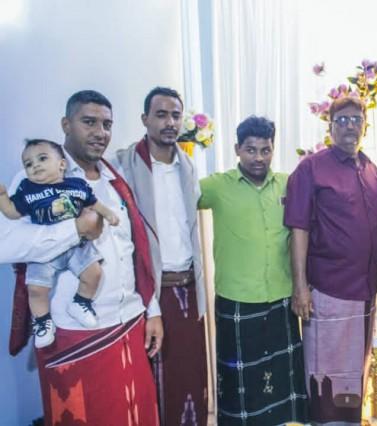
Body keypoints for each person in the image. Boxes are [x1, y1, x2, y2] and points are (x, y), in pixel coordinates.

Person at [2, 90, 162, 425]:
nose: (100, 132)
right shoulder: (34, 180)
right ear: (66, 124)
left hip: (129, 321)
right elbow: (7, 245)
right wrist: (75, 229)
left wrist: (152, 311)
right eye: (89, 122)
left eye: (107, 124)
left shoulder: (114, 180)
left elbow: (135, 251)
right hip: (74, 333)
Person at [199, 115, 307, 426]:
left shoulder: (288, 184)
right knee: (240, 382)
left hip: (281, 297)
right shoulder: (217, 186)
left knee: (281, 378)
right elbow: (175, 195)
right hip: (237, 300)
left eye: (265, 150)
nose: (259, 158)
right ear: (237, 149)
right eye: (251, 150)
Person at [285, 95, 377, 425]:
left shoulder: (371, 170)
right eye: (342, 120)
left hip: (364, 291)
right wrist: (300, 287)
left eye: (356, 119)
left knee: (356, 367)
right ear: (329, 127)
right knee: (324, 370)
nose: (350, 126)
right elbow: (298, 228)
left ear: (365, 126)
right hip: (328, 288)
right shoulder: (311, 169)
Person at [115, 87, 208, 425]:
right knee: (155, 379)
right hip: (150, 292)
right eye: (161, 114)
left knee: (192, 374)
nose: (170, 122)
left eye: (175, 115)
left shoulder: (187, 167)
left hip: (189, 287)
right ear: (145, 119)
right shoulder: (124, 166)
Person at [0, 139, 120, 348]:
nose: (35, 165)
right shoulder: (27, 191)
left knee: (94, 273)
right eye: (28, 164)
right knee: (36, 289)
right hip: (45, 253)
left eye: (42, 159)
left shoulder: (76, 185)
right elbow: (11, 213)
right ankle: (42, 322)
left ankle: (81, 302)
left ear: (62, 164)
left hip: (77, 246)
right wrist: (2, 196)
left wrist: (108, 214)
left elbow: (93, 202)